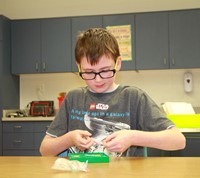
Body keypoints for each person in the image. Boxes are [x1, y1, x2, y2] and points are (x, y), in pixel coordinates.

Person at [40, 28, 185, 157]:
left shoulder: (133, 97)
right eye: (89, 72)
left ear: (118, 63)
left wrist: (133, 137)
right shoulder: (73, 98)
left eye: (105, 70)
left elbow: (178, 140)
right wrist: (69, 139)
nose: (98, 79)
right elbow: (45, 150)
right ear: (79, 67)